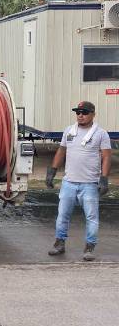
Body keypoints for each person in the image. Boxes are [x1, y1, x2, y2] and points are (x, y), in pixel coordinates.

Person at [46, 101, 112, 261]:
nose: (80, 115)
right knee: (62, 215)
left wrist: (104, 179)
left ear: (93, 114)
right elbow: (61, 151)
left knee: (91, 217)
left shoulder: (101, 134)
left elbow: (106, 157)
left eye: (85, 112)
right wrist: (52, 171)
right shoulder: (69, 131)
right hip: (68, 182)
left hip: (90, 184)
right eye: (78, 112)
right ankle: (59, 244)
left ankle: (89, 247)